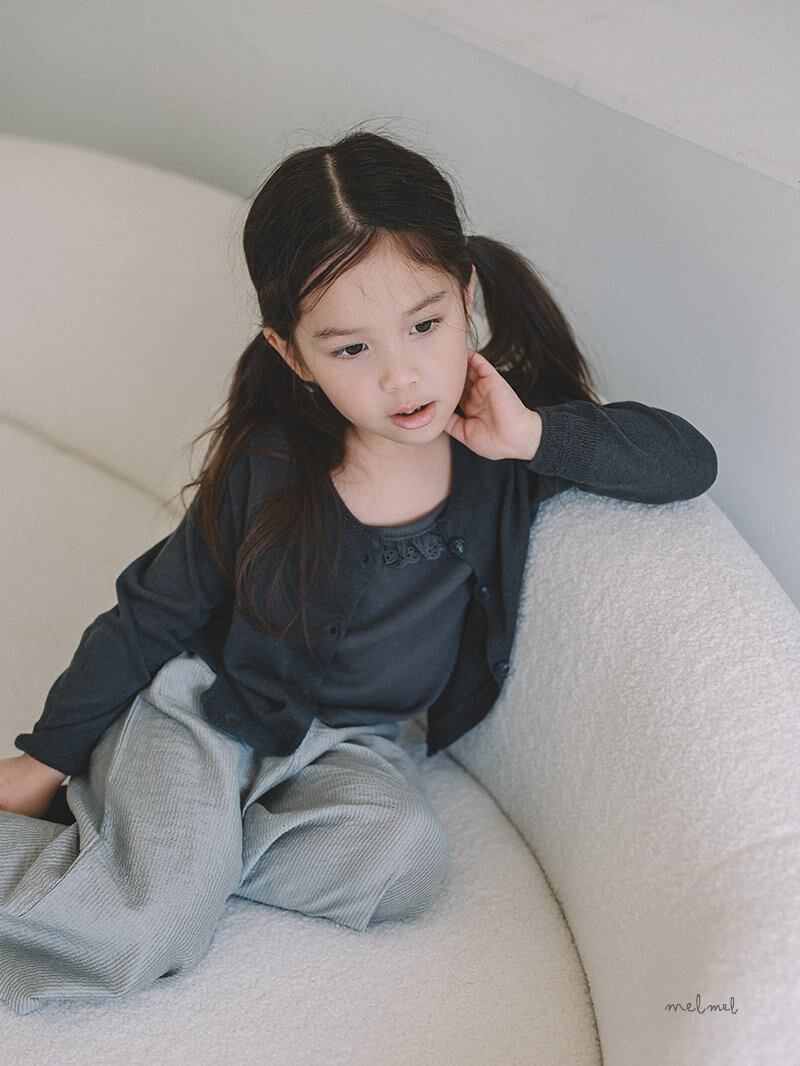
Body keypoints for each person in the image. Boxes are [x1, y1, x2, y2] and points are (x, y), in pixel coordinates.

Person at [0, 126, 718, 1016]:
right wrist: (45, 758)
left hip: (354, 747)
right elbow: (150, 612)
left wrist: (534, 435)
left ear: (466, 299)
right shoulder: (272, 466)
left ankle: (174, 857)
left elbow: (687, 462)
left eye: (425, 325)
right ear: (293, 354)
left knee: (402, 863)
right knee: (143, 929)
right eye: (351, 349)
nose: (403, 376)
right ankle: (154, 877)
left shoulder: (503, 445)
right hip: (208, 713)